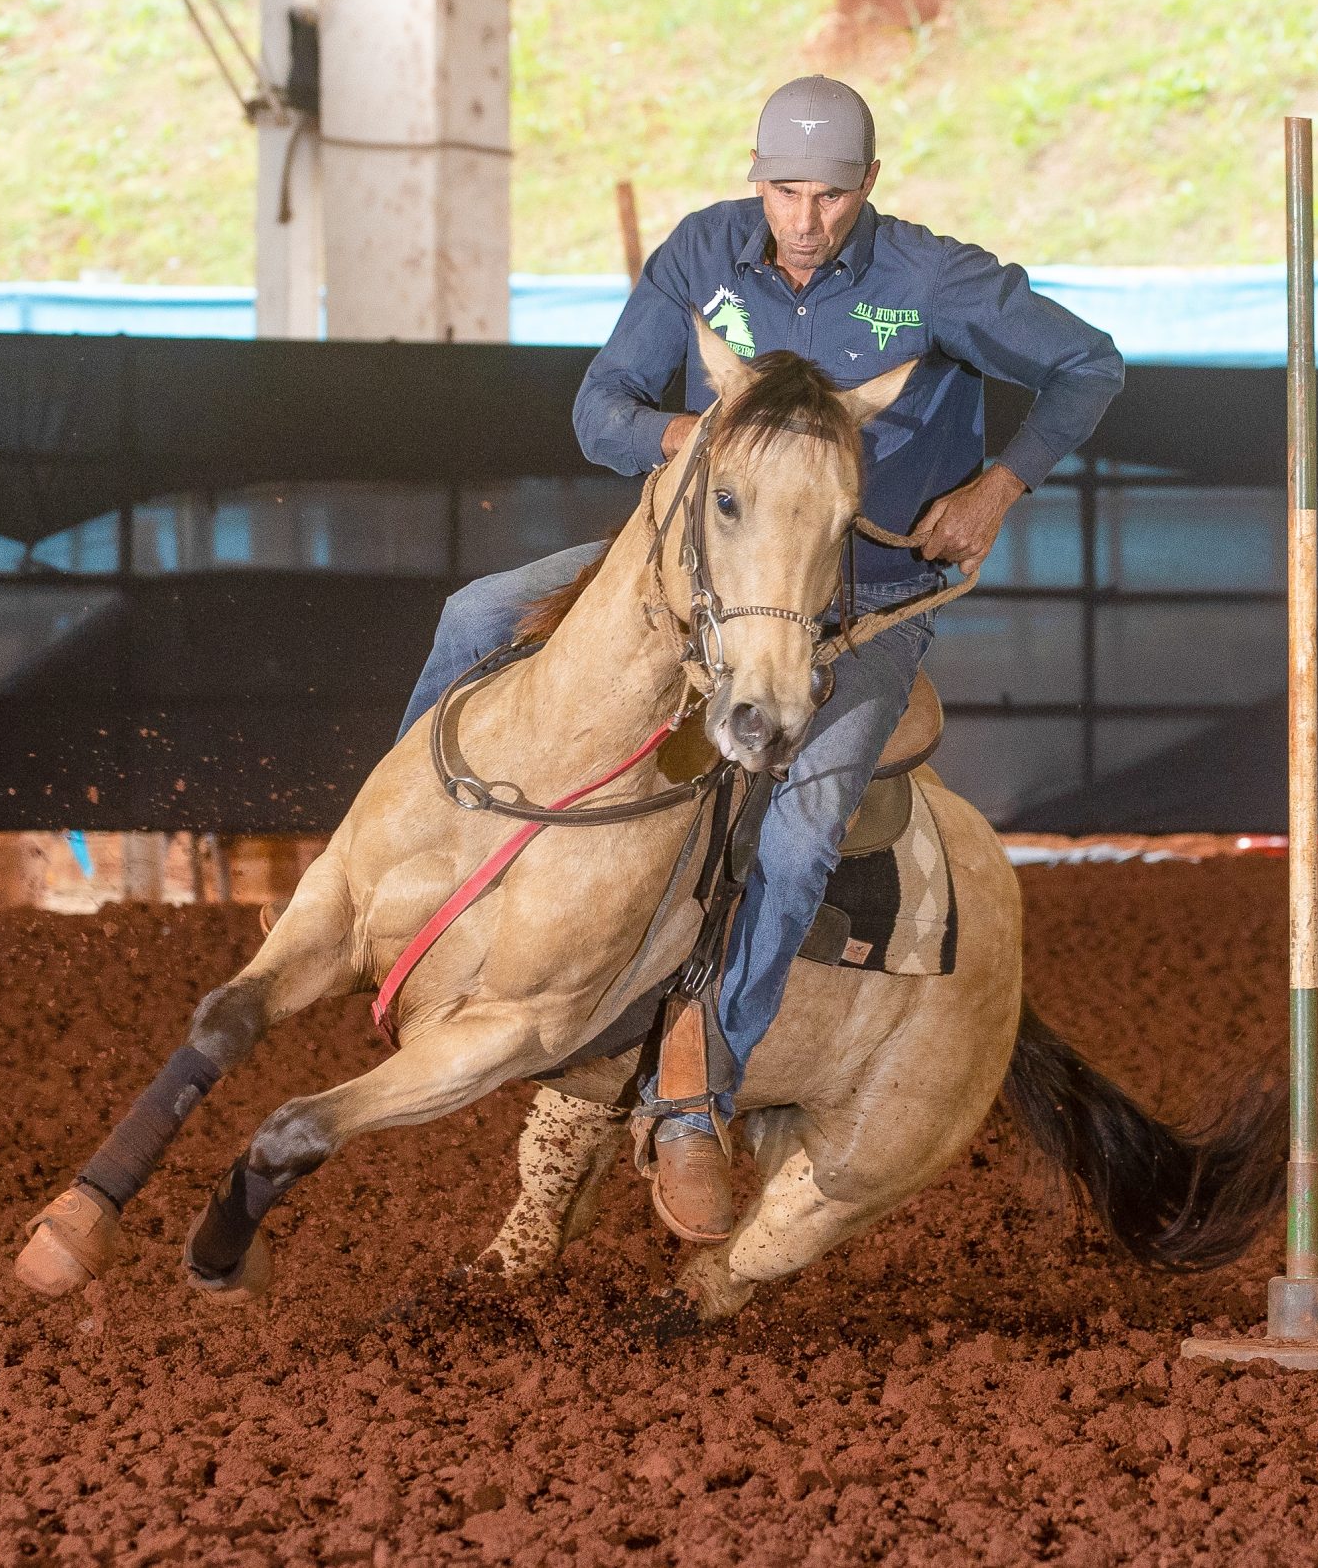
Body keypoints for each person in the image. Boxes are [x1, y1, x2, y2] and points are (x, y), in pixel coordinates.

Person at [397, 75, 1124, 1242]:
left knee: (803, 816)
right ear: (755, 181)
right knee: (477, 615)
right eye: (784, 191)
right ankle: (411, 856)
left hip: (863, 599)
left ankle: (702, 1091)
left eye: (830, 196)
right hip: (698, 579)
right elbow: (599, 411)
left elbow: (1089, 364)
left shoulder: (934, 282)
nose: (804, 219)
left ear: (868, 189)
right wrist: (703, 436)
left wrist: (997, 486)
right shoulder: (702, 258)